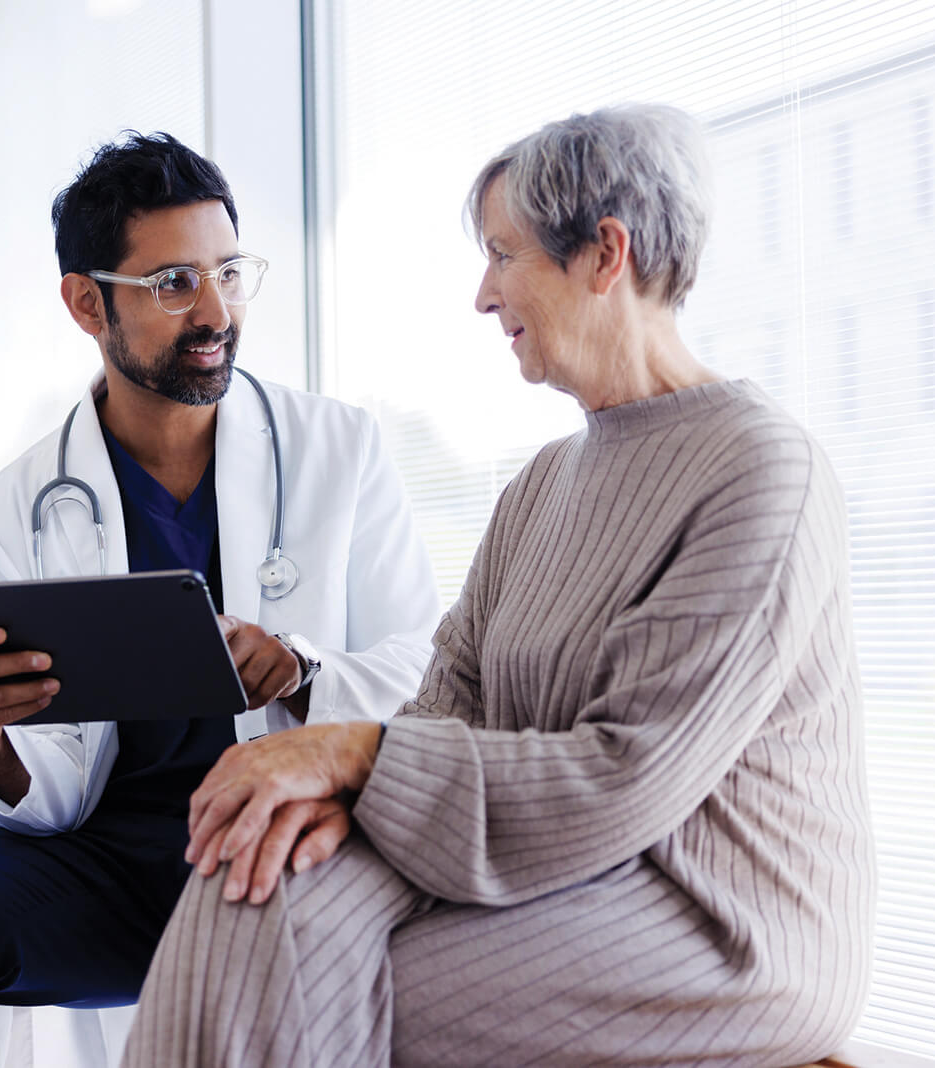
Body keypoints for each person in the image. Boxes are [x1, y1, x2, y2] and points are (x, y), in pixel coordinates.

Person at [121, 106, 877, 1068]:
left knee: (316, 986)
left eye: (502, 253)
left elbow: (625, 774)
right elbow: (450, 702)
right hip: (551, 869)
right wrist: (333, 788)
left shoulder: (761, 471)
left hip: (718, 920)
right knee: (250, 880)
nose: (483, 294)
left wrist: (354, 759)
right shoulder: (542, 487)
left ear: (605, 254)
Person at [0, 132, 440, 1066]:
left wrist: (303, 667)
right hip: (112, 864)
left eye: (229, 272)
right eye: (173, 283)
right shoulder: (16, 510)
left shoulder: (342, 450)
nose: (215, 309)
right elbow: (45, 797)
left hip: (286, 834)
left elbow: (428, 670)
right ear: (88, 303)